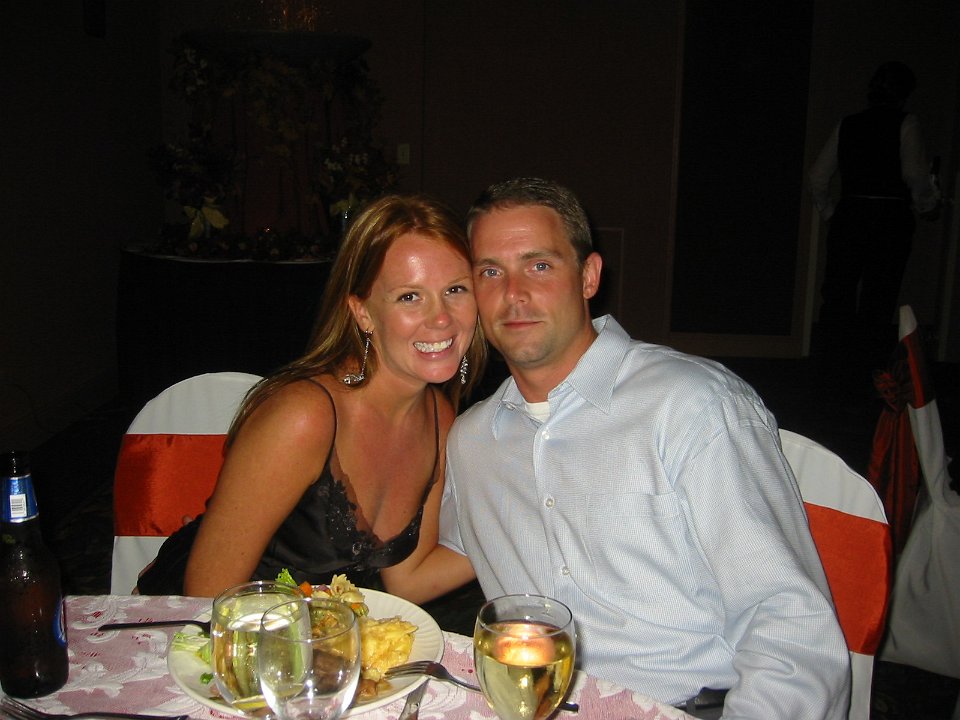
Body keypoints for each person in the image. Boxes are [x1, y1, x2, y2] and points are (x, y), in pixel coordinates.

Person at [434, 178, 851, 719]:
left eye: (539, 265)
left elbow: (791, 627)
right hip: (532, 702)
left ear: (589, 276)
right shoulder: (473, 442)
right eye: (490, 271)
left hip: (690, 706)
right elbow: (436, 558)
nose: (514, 293)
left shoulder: (691, 405)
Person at [136, 194, 486, 598]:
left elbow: (407, 581)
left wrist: (527, 526)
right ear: (363, 312)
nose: (441, 318)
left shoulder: (439, 418)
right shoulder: (305, 416)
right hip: (194, 621)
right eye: (410, 296)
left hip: (312, 628)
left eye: (456, 289)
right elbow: (207, 594)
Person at [808, 61, 940, 344]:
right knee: (879, 294)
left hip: (851, 213)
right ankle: (867, 356)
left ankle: (832, 353)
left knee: (838, 290)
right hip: (889, 216)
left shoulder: (848, 124)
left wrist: (830, 212)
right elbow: (915, 174)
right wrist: (927, 204)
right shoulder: (906, 123)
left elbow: (818, 176)